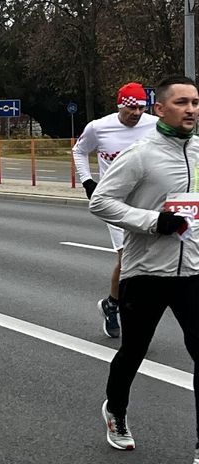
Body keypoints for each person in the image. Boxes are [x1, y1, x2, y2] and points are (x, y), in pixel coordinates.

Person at [89, 75, 199, 464]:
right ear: (160, 109)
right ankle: (115, 411)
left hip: (192, 271)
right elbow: (101, 202)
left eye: (195, 103)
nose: (191, 110)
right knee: (133, 350)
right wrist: (153, 221)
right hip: (147, 270)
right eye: (182, 102)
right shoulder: (140, 153)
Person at [73, 82, 158, 339]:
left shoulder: (154, 125)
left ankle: (112, 303)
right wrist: (88, 181)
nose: (136, 113)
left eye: (141, 108)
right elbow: (79, 151)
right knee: (127, 260)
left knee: (150, 261)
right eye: (131, 108)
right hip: (115, 203)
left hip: (148, 201)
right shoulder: (99, 128)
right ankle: (129, 315)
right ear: (120, 105)